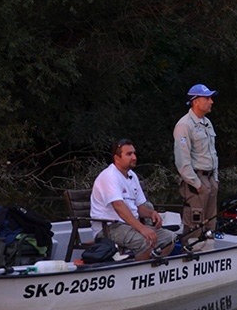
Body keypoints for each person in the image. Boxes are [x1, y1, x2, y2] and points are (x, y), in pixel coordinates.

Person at [90, 139, 176, 261]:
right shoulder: (109, 176)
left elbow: (139, 206)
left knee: (170, 238)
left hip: (129, 225)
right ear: (117, 157)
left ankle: (152, 267)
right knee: (145, 241)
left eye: (134, 153)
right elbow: (119, 206)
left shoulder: (132, 175)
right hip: (109, 228)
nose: (134, 157)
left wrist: (151, 213)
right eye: (129, 154)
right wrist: (142, 228)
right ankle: (141, 273)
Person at [173, 83, 219, 245]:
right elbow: (182, 161)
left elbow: (213, 153)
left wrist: (215, 179)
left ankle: (208, 253)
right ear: (195, 101)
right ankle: (191, 254)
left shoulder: (207, 123)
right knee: (195, 223)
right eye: (207, 98)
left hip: (210, 179)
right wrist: (197, 184)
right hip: (196, 181)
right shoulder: (184, 125)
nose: (211, 101)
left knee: (210, 223)